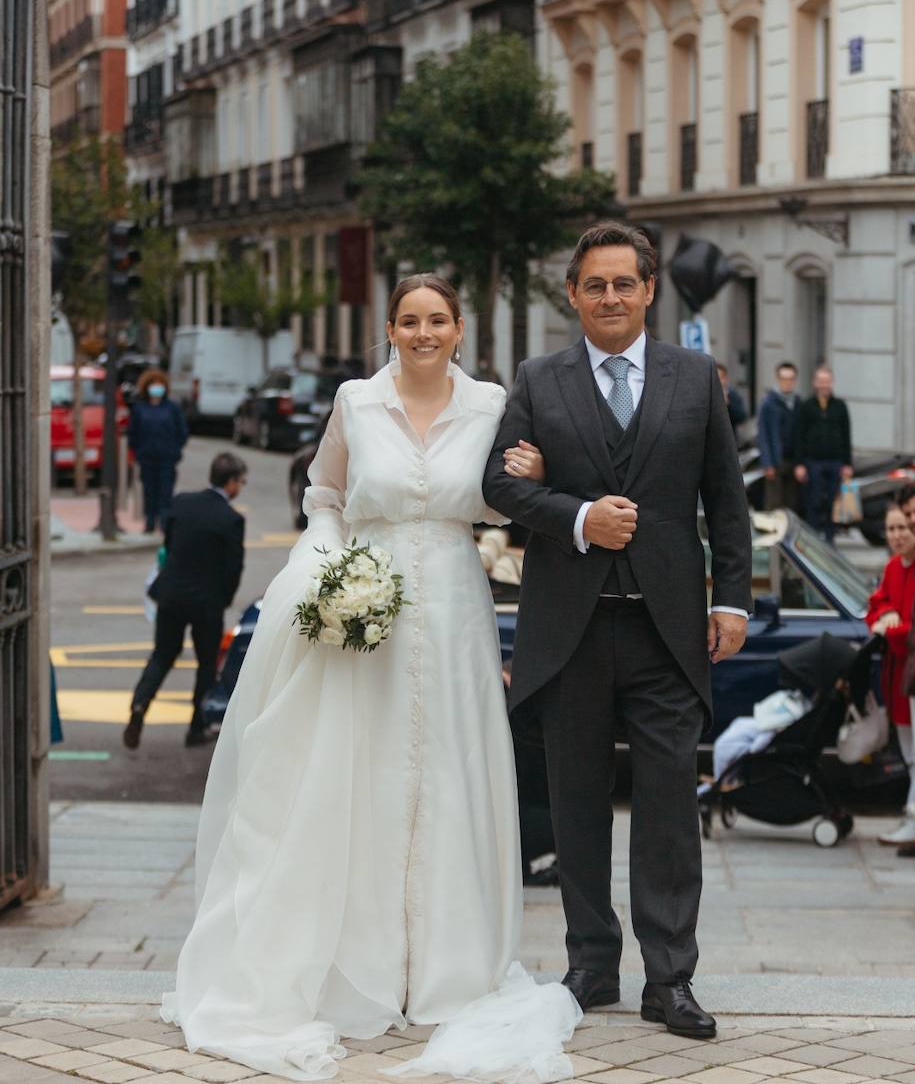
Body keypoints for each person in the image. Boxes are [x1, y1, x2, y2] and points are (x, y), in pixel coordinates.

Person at [160, 276, 581, 1084]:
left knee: (451, 778)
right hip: (369, 609)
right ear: (389, 328)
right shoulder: (356, 401)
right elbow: (323, 495)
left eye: (438, 321)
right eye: (409, 321)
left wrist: (529, 469)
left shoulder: (492, 405)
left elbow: (497, 506)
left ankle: (446, 967)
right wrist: (327, 564)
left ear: (459, 329)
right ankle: (359, 963)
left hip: (457, 607)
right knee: (367, 776)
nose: (423, 333)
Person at [483, 221, 752, 1041]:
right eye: (593, 285)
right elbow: (496, 481)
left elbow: (725, 498)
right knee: (576, 808)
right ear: (572, 294)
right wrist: (574, 516)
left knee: (669, 809)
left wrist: (731, 602)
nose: (609, 298)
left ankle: (669, 980)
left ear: (647, 291)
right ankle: (591, 966)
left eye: (623, 284)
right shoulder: (538, 378)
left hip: (667, 632)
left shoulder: (692, 378)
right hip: (569, 629)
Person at [123, 452, 246, 751]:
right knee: (206, 664)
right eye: (240, 482)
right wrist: (224, 599)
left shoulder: (181, 504)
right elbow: (233, 567)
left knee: (163, 654)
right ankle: (196, 726)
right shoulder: (231, 519)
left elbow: (168, 544)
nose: (240, 487)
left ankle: (140, 705)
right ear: (230, 483)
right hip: (207, 602)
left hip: (172, 594)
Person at [869, 487, 915, 849]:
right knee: (907, 747)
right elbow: (878, 603)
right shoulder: (890, 568)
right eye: (892, 528)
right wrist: (886, 616)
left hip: (908, 667)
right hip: (897, 671)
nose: (898, 535)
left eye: (904, 527)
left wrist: (892, 628)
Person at [793, 364, 853, 543]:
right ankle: (813, 540)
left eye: (826, 381)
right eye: (820, 381)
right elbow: (799, 436)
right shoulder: (806, 406)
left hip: (835, 462)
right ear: (814, 382)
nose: (823, 384)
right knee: (813, 501)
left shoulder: (840, 406)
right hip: (813, 463)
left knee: (832, 503)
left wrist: (847, 463)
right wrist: (800, 464)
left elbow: (846, 435)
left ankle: (830, 539)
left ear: (832, 382)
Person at [128, 369, 188, 533]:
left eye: (159, 385)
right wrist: (138, 452)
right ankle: (149, 521)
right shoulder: (140, 408)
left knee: (165, 492)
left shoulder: (172, 408)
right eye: (153, 385)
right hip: (147, 458)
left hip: (167, 458)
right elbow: (133, 433)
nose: (156, 388)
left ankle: (164, 522)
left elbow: (182, 432)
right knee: (149, 491)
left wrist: (175, 451)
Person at [756, 361, 801, 512]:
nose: (787, 383)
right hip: (775, 462)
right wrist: (767, 463)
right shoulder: (769, 403)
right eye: (784, 379)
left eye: (790, 379)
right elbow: (763, 434)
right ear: (778, 379)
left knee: (791, 505)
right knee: (773, 505)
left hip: (793, 462)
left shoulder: (798, 402)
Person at [715, 362, 747, 438]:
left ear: (726, 379)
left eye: (721, 378)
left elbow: (742, 417)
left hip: (728, 439)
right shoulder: (704, 395)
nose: (718, 381)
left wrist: (728, 405)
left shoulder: (732, 394)